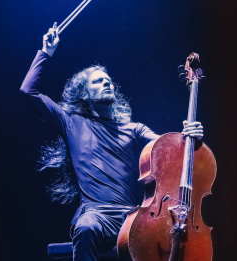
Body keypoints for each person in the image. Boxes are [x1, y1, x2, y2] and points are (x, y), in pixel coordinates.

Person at [20, 23, 204, 261]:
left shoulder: (133, 129)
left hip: (130, 218)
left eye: (108, 81)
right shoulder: (72, 123)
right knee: (86, 228)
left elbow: (171, 147)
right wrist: (46, 51)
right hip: (95, 216)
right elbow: (28, 91)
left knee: (168, 237)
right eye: (97, 81)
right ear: (85, 94)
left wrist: (191, 137)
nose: (106, 83)